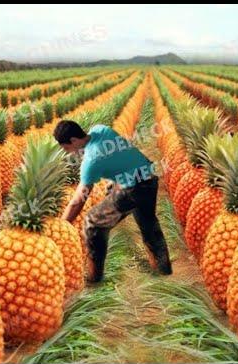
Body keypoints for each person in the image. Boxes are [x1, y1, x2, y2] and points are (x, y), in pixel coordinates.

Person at [54, 120, 172, 282]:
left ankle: (94, 278)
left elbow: (78, 200)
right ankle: (163, 270)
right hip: (148, 177)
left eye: (67, 148)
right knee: (148, 223)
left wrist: (62, 225)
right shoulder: (100, 129)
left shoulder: (91, 161)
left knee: (92, 222)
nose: (68, 153)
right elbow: (120, 153)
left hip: (133, 188)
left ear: (74, 141)